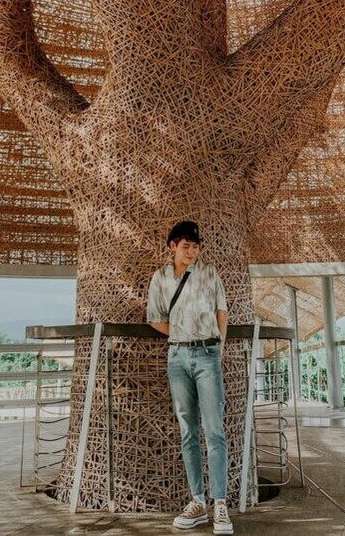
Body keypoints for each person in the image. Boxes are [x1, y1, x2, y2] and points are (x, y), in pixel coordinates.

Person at [147, 220, 233, 535]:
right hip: (177, 357)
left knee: (215, 431)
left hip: (208, 355)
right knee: (188, 432)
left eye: (196, 247)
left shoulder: (210, 274)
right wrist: (182, 335)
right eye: (186, 247)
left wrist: (219, 347)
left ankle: (220, 505)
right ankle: (197, 502)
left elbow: (222, 312)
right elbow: (155, 318)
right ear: (173, 246)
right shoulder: (160, 278)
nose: (192, 252)